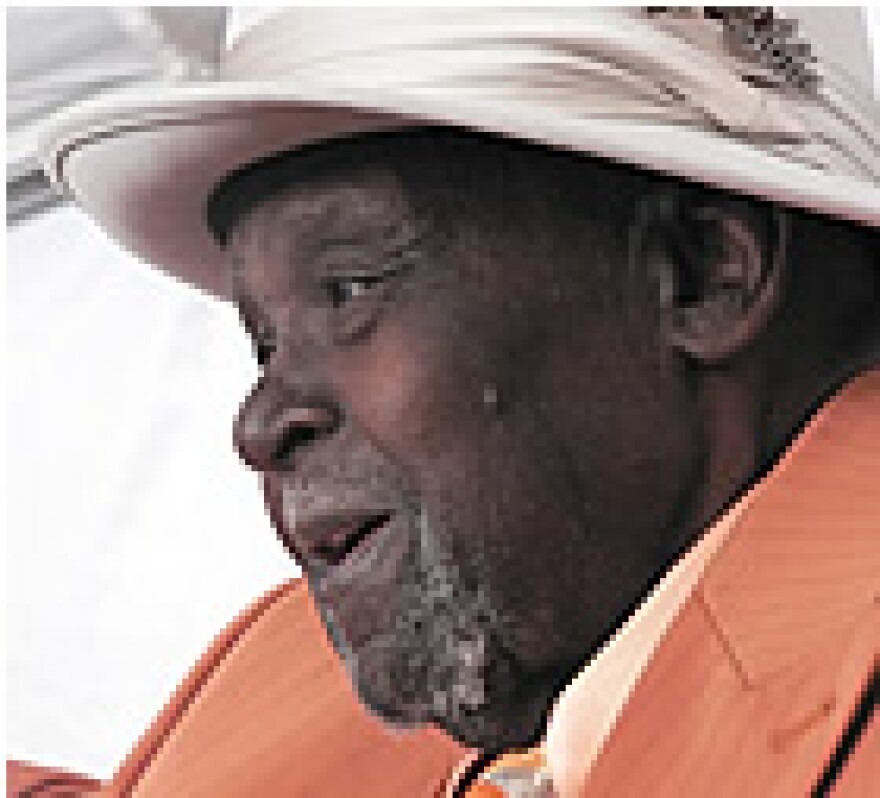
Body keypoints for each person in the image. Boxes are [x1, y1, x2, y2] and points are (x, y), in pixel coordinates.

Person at [15, 7, 877, 797]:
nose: (260, 425)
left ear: (702, 272)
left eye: (347, 289)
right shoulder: (282, 673)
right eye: (264, 342)